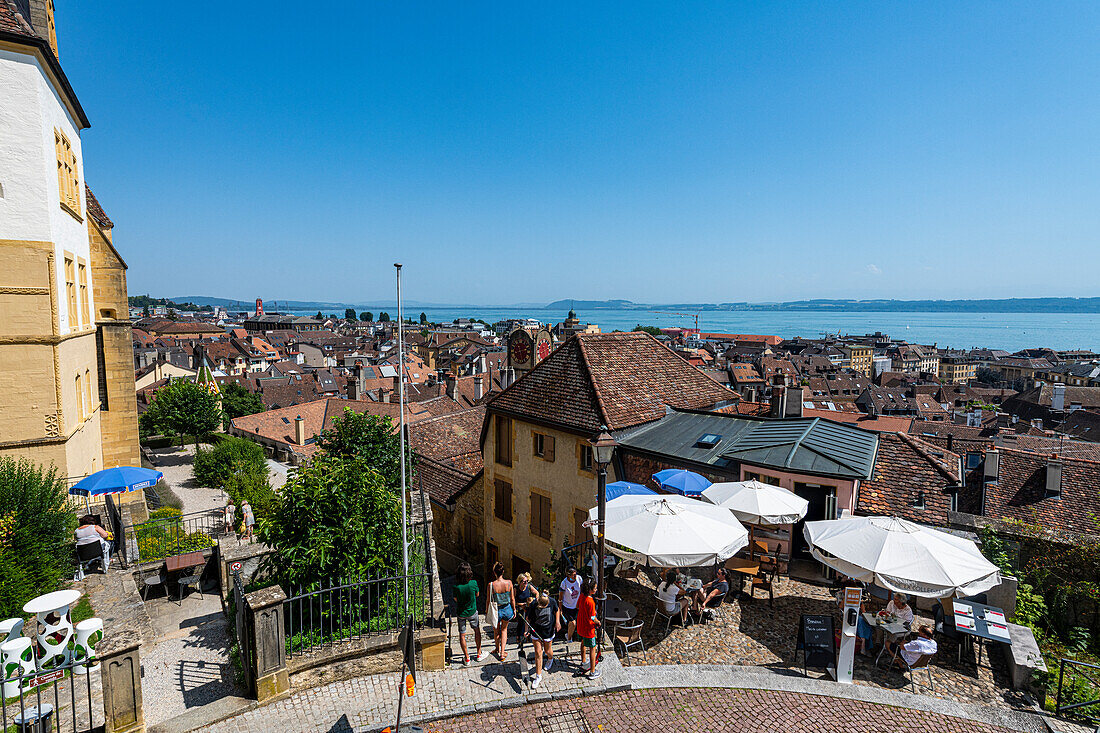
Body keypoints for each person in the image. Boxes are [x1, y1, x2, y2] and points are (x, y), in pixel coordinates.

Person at [452, 562, 489, 665]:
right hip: (472, 611)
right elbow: (477, 594)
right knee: (477, 631)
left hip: (461, 613)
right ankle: (478, 654)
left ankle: (467, 658)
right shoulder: (473, 583)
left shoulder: (456, 587)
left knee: (462, 635)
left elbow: (455, 599)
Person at [526, 591, 559, 689]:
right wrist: (526, 630)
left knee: (548, 651)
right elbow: (527, 618)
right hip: (536, 631)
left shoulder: (552, 601)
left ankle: (550, 658)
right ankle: (538, 676)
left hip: (548, 631)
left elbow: (557, 610)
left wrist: (557, 622)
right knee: (538, 653)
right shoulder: (533, 604)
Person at [488, 562, 515, 661]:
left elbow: (488, 600)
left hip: (496, 610)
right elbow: (512, 598)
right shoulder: (509, 583)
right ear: (503, 572)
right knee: (504, 630)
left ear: (494, 573)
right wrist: (514, 609)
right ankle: (502, 653)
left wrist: (487, 611)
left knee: (496, 631)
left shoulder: (491, 585)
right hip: (507, 609)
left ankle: (497, 648)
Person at [575, 578, 601, 679]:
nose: (596, 589)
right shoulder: (590, 602)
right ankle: (593, 672)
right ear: (590, 589)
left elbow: (577, 606)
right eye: (595, 588)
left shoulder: (582, 596)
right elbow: (592, 617)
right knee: (592, 648)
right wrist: (598, 622)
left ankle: (583, 661)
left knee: (582, 642)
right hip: (588, 628)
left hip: (581, 624)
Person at [883, 592, 916, 657]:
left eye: (896, 599)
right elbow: (887, 612)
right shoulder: (892, 603)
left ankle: (889, 648)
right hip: (890, 624)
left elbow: (906, 624)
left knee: (893, 634)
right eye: (894, 599)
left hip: (902, 629)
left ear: (901, 601)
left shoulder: (907, 610)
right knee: (880, 628)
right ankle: (879, 644)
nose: (894, 601)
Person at [513, 572, 536, 655]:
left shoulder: (529, 587)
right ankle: (518, 637)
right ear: (520, 582)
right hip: (520, 608)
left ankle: (528, 637)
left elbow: (536, 593)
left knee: (529, 621)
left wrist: (534, 602)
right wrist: (520, 605)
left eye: (527, 581)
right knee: (521, 622)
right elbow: (513, 600)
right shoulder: (516, 588)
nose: (526, 583)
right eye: (524, 582)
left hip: (528, 607)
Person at [558, 566, 583, 641]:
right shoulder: (564, 583)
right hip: (567, 606)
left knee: (574, 624)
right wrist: (560, 609)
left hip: (577, 606)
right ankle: (569, 639)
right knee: (573, 623)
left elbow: (581, 591)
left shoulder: (579, 579)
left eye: (576, 574)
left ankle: (569, 634)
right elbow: (560, 597)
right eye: (573, 575)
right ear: (568, 575)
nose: (575, 576)